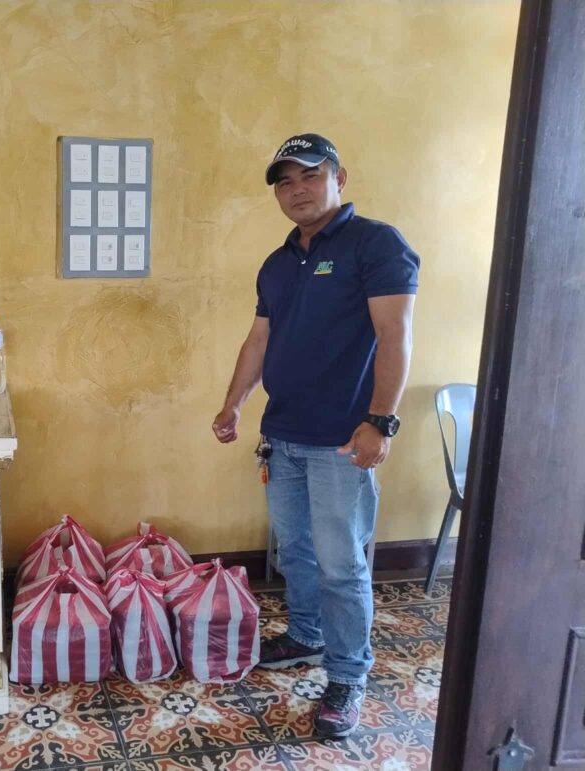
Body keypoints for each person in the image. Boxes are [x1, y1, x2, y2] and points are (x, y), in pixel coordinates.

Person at [212, 133, 419, 738]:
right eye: (285, 181)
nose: (297, 189)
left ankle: (348, 674)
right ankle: (305, 634)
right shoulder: (278, 263)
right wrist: (233, 404)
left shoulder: (375, 244)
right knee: (296, 550)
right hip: (283, 434)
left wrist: (380, 420)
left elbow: (395, 336)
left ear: (339, 177)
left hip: (342, 441)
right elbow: (260, 339)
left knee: (341, 564)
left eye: (310, 175)